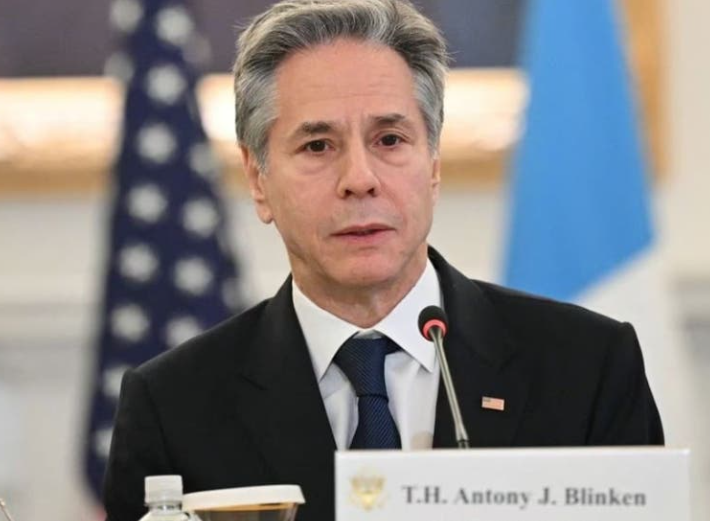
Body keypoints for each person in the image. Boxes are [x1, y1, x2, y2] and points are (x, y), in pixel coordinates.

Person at [103, 1, 663, 520]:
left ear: (433, 164)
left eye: (390, 140)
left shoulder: (586, 366)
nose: (360, 179)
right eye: (318, 146)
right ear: (257, 179)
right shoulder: (173, 404)